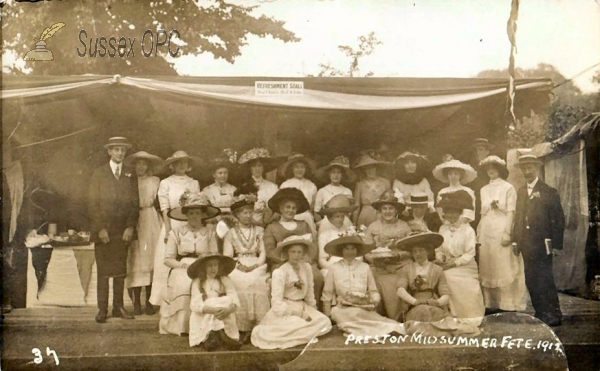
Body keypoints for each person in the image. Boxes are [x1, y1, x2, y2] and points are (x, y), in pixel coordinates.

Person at [88, 137, 139, 323]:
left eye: (122, 150)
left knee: (120, 270)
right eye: (116, 150)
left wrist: (130, 226)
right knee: (103, 270)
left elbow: (135, 203)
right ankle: (103, 309)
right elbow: (93, 204)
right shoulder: (98, 173)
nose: (119, 153)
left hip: (122, 230)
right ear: (109, 151)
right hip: (104, 231)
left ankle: (118, 307)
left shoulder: (130, 174)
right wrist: (100, 228)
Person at [251, 235, 332, 349]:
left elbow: (309, 293)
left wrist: (312, 311)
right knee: (296, 324)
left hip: (302, 305)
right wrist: (299, 314)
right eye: (293, 252)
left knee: (324, 322)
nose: (296, 255)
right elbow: (277, 303)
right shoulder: (280, 272)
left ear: (304, 254)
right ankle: (301, 335)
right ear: (287, 253)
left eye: (299, 252)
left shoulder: (307, 268)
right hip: (286, 308)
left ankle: (302, 334)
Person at [395, 231, 480, 337]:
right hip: (415, 307)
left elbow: (445, 295)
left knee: (442, 320)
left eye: (421, 250)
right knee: (422, 314)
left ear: (428, 252)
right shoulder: (407, 269)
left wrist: (437, 302)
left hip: (433, 305)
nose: (418, 254)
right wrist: (414, 301)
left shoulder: (437, 269)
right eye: (415, 251)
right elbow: (400, 290)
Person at [513, 154, 565, 326]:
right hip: (526, 243)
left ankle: (554, 313)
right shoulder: (521, 192)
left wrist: (556, 244)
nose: (527, 171)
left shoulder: (549, 192)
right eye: (524, 168)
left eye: (530, 167)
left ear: (537, 168)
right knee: (531, 278)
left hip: (543, 243)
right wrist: (516, 241)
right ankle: (540, 311)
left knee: (545, 278)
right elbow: (518, 218)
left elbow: (558, 219)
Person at [321, 232, 405, 337]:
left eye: (353, 248)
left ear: (357, 250)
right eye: (347, 249)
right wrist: (327, 315)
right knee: (337, 313)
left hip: (362, 308)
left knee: (369, 317)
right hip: (342, 308)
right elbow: (327, 293)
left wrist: (373, 301)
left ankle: (384, 329)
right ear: (341, 250)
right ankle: (367, 331)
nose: (350, 252)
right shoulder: (334, 268)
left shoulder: (364, 267)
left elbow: (373, 291)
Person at [159, 191, 220, 336]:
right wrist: (183, 265)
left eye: (197, 213)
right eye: (191, 213)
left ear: (202, 215)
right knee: (184, 283)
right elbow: (168, 259)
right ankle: (183, 327)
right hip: (183, 266)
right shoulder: (176, 232)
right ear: (186, 215)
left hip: (204, 265)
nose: (194, 216)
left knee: (206, 283)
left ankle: (206, 326)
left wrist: (206, 261)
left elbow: (214, 255)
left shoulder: (209, 233)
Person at [149, 150, 201, 307]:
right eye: (178, 163)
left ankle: (189, 297)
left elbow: (197, 207)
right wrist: (168, 230)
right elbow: (164, 208)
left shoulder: (194, 183)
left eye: (185, 162)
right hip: (172, 223)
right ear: (172, 165)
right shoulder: (166, 183)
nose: (182, 165)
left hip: (190, 223)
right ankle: (166, 300)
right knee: (168, 260)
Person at [477, 156, 527, 314]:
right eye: (488, 168)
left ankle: (508, 303)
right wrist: (479, 233)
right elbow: (482, 213)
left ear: (500, 170)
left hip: (501, 226)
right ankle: (490, 303)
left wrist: (508, 232)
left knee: (503, 264)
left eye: (494, 167)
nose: (491, 171)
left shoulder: (508, 187)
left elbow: (511, 211)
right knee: (488, 265)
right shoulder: (483, 189)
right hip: (487, 229)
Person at [222, 188, 270, 343]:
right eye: (244, 213)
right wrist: (239, 266)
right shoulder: (230, 233)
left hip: (256, 264)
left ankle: (259, 325)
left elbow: (263, 252)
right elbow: (227, 256)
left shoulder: (259, 230)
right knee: (238, 281)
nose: (248, 216)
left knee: (258, 281)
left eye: (250, 212)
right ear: (237, 215)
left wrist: (256, 265)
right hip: (237, 265)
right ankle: (242, 327)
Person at [263, 188, 324, 304]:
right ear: (281, 208)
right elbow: (270, 251)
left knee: (316, 276)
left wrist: (305, 259)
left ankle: (312, 306)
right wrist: (288, 260)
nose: (290, 210)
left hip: (303, 261)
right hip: (281, 262)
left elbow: (313, 246)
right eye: (287, 207)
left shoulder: (303, 225)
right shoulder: (272, 227)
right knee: (283, 277)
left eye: (293, 208)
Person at [435, 190, 485, 325]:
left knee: (452, 278)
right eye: (448, 212)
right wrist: (441, 258)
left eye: (454, 212)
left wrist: (454, 263)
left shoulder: (468, 230)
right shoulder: (442, 229)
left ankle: (469, 316)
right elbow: (438, 249)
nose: (451, 215)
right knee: (442, 275)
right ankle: (451, 315)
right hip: (447, 264)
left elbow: (470, 253)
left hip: (465, 266)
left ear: (459, 213)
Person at [124, 151, 164, 316]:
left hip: (150, 219)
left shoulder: (155, 181)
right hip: (134, 219)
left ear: (148, 166)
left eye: (144, 163)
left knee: (151, 259)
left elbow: (160, 202)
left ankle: (149, 301)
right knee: (135, 260)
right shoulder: (127, 182)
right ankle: (136, 303)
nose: (140, 166)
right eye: (138, 163)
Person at [363, 191, 411, 321]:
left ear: (396, 210)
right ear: (380, 211)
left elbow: (410, 249)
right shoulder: (373, 227)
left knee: (400, 282)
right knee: (371, 279)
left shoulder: (404, 226)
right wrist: (373, 259)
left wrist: (398, 256)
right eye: (384, 208)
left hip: (399, 266)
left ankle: (398, 317)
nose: (387, 211)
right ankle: (378, 317)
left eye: (391, 208)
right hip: (378, 267)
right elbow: (365, 250)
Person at [187, 254, 241, 350]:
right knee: (212, 302)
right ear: (204, 267)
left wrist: (228, 310)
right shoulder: (198, 282)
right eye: (209, 266)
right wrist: (212, 310)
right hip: (205, 313)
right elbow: (195, 304)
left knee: (227, 300)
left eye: (215, 265)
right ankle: (212, 336)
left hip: (223, 314)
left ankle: (223, 335)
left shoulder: (225, 280)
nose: (213, 269)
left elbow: (234, 299)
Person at [237, 148, 280, 227]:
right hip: (249, 223)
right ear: (250, 168)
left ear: (263, 168)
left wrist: (268, 223)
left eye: (259, 165)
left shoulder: (272, 187)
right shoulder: (244, 187)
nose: (257, 168)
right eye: (254, 166)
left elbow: (277, 209)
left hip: (269, 222)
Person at [317, 194, 357, 278]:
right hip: (333, 266)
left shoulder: (350, 232)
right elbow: (322, 260)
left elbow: (359, 253)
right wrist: (333, 268)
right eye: (337, 217)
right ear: (330, 218)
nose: (340, 219)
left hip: (351, 264)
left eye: (342, 216)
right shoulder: (324, 235)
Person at [279, 154, 319, 237]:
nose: (299, 170)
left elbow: (312, 207)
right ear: (292, 169)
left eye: (302, 167)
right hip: (289, 217)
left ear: (305, 169)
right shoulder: (286, 185)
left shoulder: (311, 185)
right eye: (296, 167)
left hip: (306, 218)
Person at [433, 156, 477, 224]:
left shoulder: (468, 191)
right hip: (447, 224)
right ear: (447, 175)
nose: (453, 176)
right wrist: (447, 222)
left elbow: (469, 211)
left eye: (456, 174)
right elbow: (440, 211)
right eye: (450, 174)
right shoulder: (442, 192)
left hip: (463, 225)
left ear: (460, 175)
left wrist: (458, 223)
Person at [352, 153, 392, 227]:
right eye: (367, 168)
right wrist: (354, 224)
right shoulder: (360, 185)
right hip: (365, 216)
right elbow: (356, 206)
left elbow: (390, 202)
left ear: (376, 168)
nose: (370, 171)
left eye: (372, 167)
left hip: (382, 215)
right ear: (363, 170)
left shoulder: (385, 182)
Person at [313, 156, 356, 222]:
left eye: (338, 173)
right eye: (333, 172)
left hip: (344, 222)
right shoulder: (322, 191)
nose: (336, 175)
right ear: (329, 174)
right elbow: (316, 212)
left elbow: (349, 212)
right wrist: (321, 224)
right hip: (327, 223)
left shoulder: (347, 191)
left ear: (342, 175)